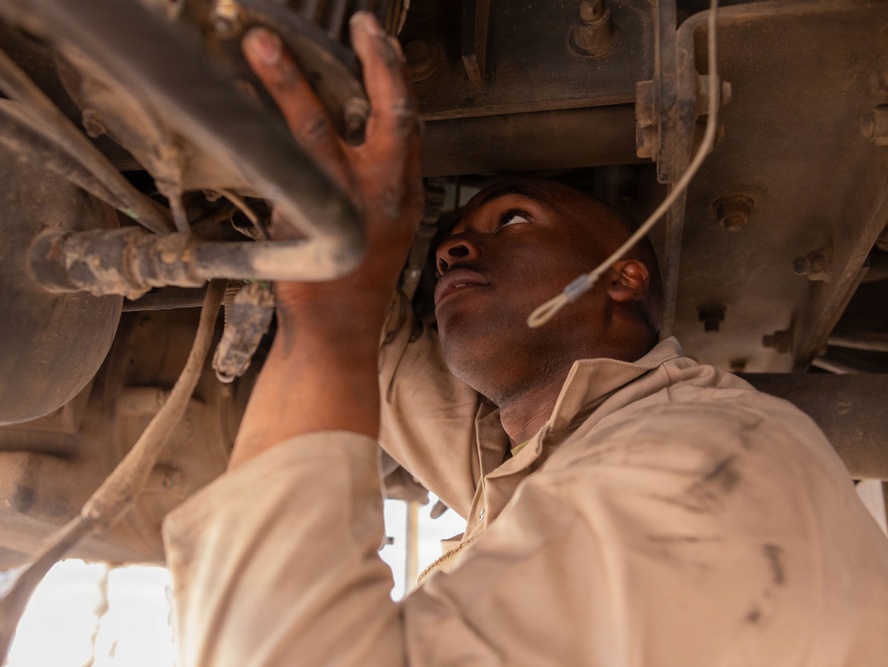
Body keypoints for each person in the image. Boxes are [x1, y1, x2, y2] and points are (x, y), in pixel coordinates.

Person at [162, 13, 888, 666]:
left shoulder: (703, 457)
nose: (451, 250)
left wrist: (331, 314)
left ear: (620, 278)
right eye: (448, 240)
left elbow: (278, 651)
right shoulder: (546, 455)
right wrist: (328, 247)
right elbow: (382, 362)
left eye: (510, 220)